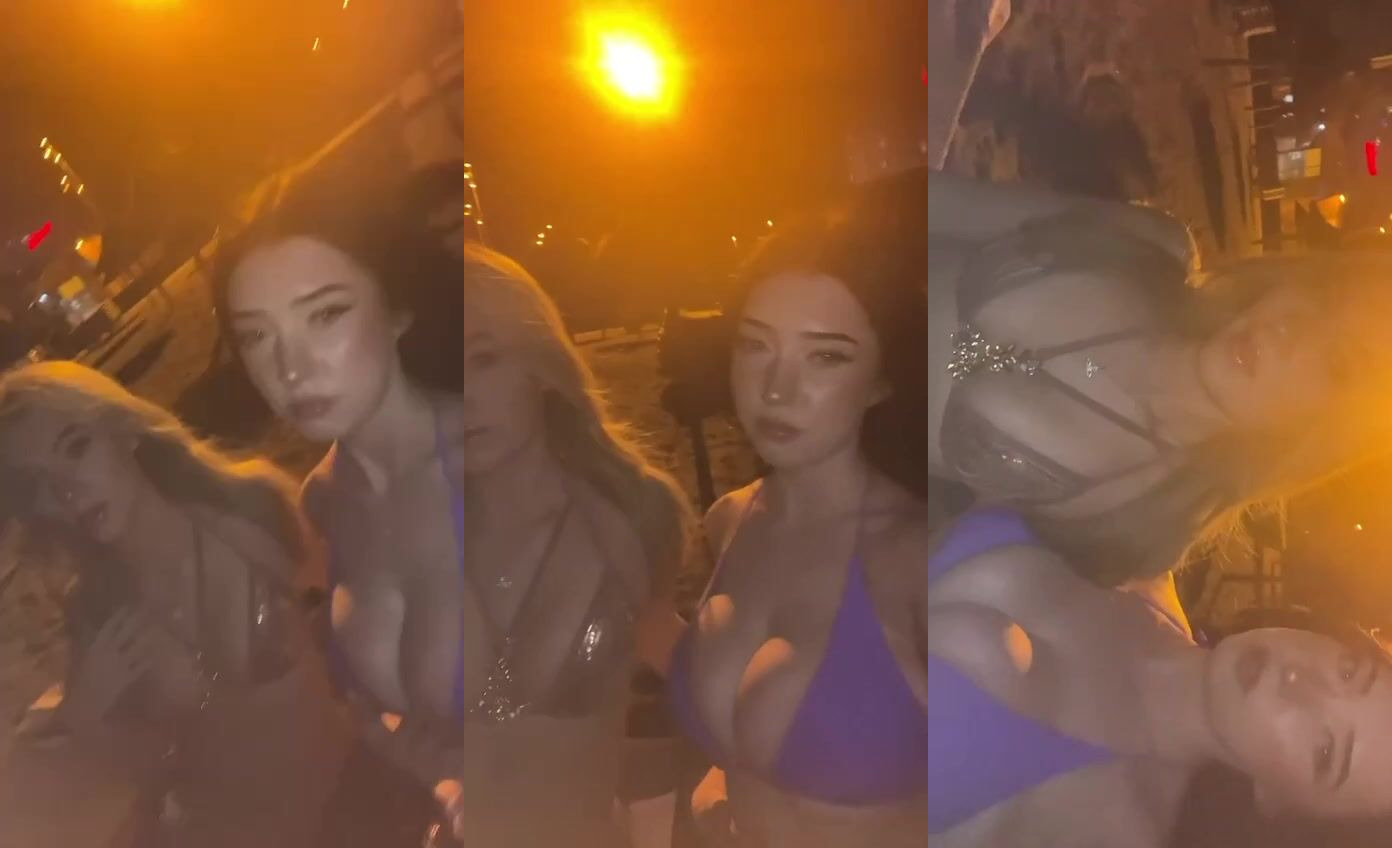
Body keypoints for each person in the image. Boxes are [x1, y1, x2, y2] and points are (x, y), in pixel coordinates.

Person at [213, 182, 693, 847]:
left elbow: (667, 671)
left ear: (396, 311)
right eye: (257, 336)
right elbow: (361, 694)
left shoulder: (561, 502)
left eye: (325, 314)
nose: (291, 367)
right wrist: (432, 771)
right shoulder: (325, 500)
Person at [916, 167, 1392, 629]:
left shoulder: (1144, 519)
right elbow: (937, 200)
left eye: (1337, 363)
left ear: (1317, 434)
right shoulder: (1151, 248)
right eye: (1323, 300)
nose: (1292, 329)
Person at [653, 201, 932, 847]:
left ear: (882, 379)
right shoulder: (730, 520)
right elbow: (744, 752)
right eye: (756, 346)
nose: (776, 389)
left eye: (826, 356)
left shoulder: (920, 556)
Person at [0, 361, 349, 848]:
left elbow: (357, 629)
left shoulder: (252, 507)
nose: (67, 491)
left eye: (75, 448)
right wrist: (85, 718)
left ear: (124, 431)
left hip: (357, 797)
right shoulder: (97, 615)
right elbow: (149, 777)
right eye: (40, 483)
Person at [926, 506, 1392, 846]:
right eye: (1349, 671)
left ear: (1280, 805)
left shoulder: (1097, 832)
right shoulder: (1144, 549)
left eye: (1325, 751)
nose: (1298, 680)